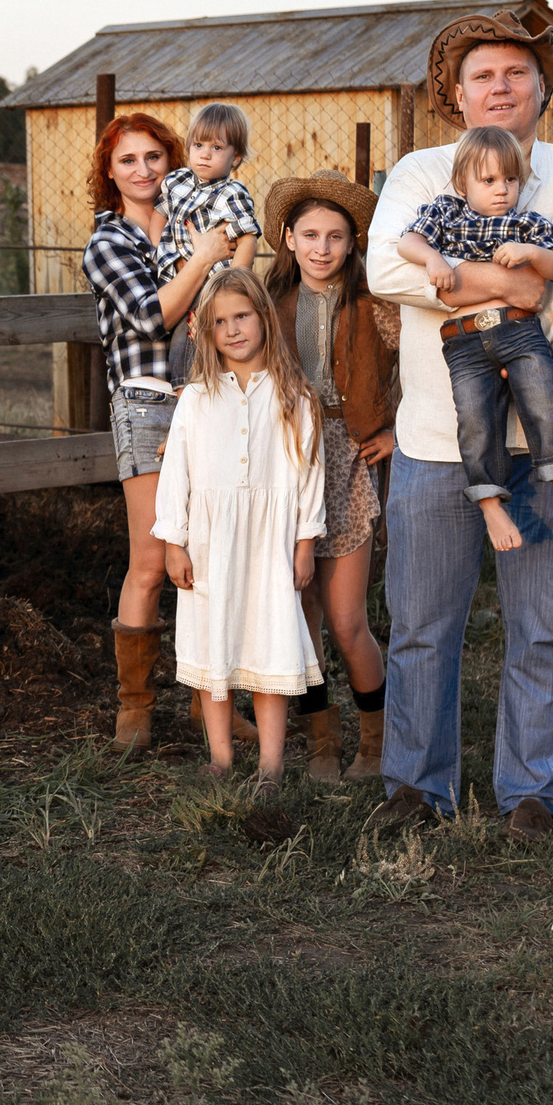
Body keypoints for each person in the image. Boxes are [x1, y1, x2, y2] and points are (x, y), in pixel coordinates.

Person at [366, 11, 553, 842]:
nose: (500, 87)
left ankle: (532, 795)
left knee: (544, 626)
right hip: (436, 436)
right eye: (482, 75)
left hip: (551, 436)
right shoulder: (421, 172)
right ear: (456, 96)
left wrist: (548, 356)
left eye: (516, 73)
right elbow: (384, 266)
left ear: (542, 89)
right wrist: (512, 288)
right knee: (422, 624)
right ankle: (417, 787)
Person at [85, 113, 230, 753]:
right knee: (150, 561)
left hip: (212, 399)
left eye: (154, 157)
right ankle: (135, 710)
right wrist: (203, 259)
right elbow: (150, 317)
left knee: (211, 556)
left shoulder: (190, 221)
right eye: (128, 160)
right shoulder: (106, 244)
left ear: (172, 162)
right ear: (110, 173)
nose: (143, 170)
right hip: (146, 403)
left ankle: (208, 705)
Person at [154, 269, 326, 791]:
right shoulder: (196, 398)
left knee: (270, 649)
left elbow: (310, 474)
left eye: (242, 316)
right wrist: (174, 542)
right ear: (206, 332)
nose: (232, 330)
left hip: (270, 547)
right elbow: (176, 473)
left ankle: (272, 766)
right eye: (219, 322)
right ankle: (221, 758)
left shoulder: (295, 395)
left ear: (264, 319)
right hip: (211, 547)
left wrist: (305, 542)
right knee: (216, 651)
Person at [262, 171, 398, 781]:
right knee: (302, 614)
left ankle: (377, 741)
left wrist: (397, 429)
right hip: (287, 460)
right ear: (289, 239)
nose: (322, 248)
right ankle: (322, 740)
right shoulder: (270, 303)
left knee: (346, 619)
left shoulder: (377, 304)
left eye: (336, 237)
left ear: (352, 243)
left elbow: (433, 365)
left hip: (348, 458)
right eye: (310, 235)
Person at [396, 126, 553, 551]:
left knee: (544, 395)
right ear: (463, 183)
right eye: (489, 180)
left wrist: (532, 253)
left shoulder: (526, 223)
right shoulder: (445, 213)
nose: (502, 189)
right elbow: (407, 242)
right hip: (463, 344)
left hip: (518, 332)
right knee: (475, 419)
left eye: (510, 179)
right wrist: (433, 258)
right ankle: (490, 504)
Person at [159, 103, 264, 282]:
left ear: (235, 158)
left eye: (216, 147)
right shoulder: (176, 180)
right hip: (175, 276)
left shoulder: (233, 193)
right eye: (198, 145)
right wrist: (158, 251)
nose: (205, 155)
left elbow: (247, 240)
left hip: (215, 281)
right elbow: (159, 214)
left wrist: (234, 284)